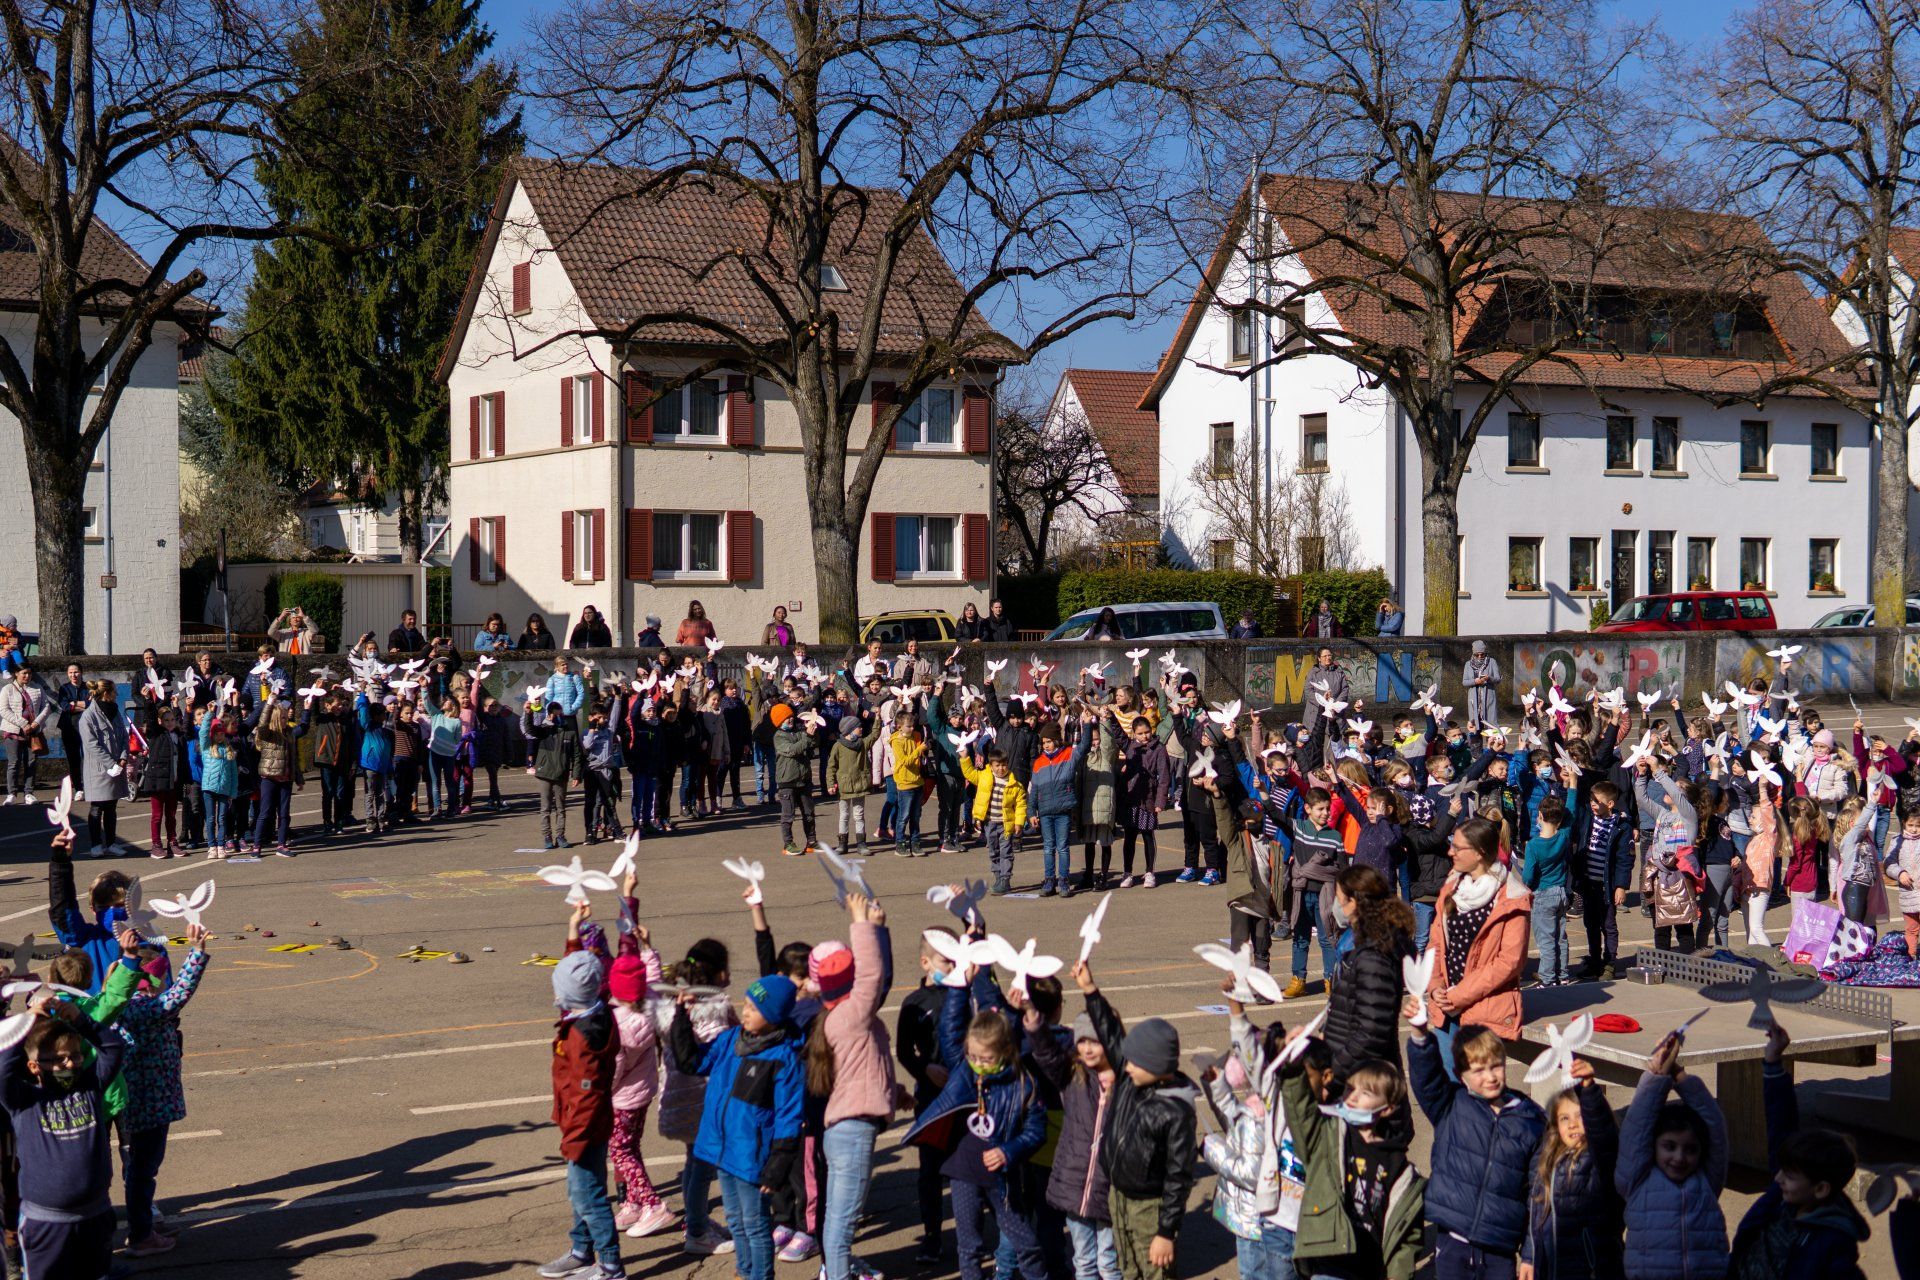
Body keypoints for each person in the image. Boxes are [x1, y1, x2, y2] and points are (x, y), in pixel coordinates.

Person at [667, 973, 805, 1280]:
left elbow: (789, 1116)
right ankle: (744, 1272)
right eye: (747, 1004)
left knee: (756, 1225)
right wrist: (681, 1018)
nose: (745, 1012)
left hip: (751, 1158)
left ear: (773, 1018)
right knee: (736, 1220)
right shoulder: (731, 1040)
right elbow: (693, 1062)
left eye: (754, 1009)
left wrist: (777, 1165)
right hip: (721, 1150)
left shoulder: (783, 1059)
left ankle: (761, 1276)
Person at [1072, 960, 1197, 1280]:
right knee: (1128, 1271)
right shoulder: (1132, 1078)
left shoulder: (1176, 1111)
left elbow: (1178, 1177)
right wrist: (1090, 989)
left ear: (1156, 1064)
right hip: (1119, 1199)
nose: (1124, 1067)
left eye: (1133, 1062)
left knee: (1154, 1273)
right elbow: (1110, 1033)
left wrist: (1165, 1232)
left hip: (1150, 1211)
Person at [0, 992, 127, 1280]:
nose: (70, 1064)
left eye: (75, 1056)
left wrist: (80, 1019)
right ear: (34, 1067)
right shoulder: (24, 1101)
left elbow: (113, 1047)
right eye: (58, 1060)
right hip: (47, 1224)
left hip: (95, 1215)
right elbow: (2, 1072)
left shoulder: (90, 1086)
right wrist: (29, 1019)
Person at [1727, 1025, 1870, 1280]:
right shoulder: (1786, 1195)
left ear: (1821, 1189)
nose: (1778, 1177)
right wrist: (1772, 1062)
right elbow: (1781, 1124)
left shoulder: (1834, 1243)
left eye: (1789, 1175)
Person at [1407, 1017, 1545, 1279]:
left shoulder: (1531, 1122)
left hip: (1500, 1250)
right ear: (1462, 1077)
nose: (1491, 1077)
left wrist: (1531, 1254)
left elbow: (1538, 1195)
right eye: (1478, 1071)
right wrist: (1419, 1035)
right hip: (1452, 1243)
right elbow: (1426, 1079)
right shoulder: (1451, 1105)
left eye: (1496, 1067)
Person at [115, 920, 212, 1258]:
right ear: (151, 980)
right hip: (149, 1102)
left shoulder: (126, 1002)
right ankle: (141, 1234)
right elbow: (180, 992)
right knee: (143, 1169)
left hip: (144, 1099)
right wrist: (196, 952)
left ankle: (143, 1225)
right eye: (159, 978)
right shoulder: (144, 1008)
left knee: (140, 1168)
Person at [810, 893, 895, 1280]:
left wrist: (876, 928)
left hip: (844, 1128)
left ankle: (836, 1271)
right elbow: (874, 977)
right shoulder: (851, 1016)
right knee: (842, 1226)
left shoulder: (841, 1018)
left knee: (837, 1222)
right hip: (853, 1131)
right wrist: (860, 922)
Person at [539, 949, 626, 1280]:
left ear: (569, 994)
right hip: (582, 1122)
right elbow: (580, 974)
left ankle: (610, 1266)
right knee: (582, 1192)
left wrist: (574, 1138)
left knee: (588, 1196)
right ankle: (581, 1250)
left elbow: (586, 1097)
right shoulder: (593, 1013)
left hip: (585, 1127)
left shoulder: (583, 1037)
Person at [1616, 1030, 1730, 1280]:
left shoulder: (1707, 1182)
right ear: (1653, 1145)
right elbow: (1638, 1126)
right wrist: (1658, 1076)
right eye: (1669, 1146)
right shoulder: (1636, 1182)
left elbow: (1715, 1127)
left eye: (1690, 1149)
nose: (1679, 1157)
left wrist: (1680, 1075)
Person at [1418, 816, 1531, 1068]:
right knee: (1449, 1093)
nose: (1450, 851)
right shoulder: (1452, 887)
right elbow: (1435, 944)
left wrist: (1459, 995)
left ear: (1480, 853)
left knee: (1479, 1092)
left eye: (1457, 848)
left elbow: (1509, 962)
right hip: (1446, 1009)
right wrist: (1435, 986)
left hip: (1484, 1012)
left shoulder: (1512, 897)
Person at [1526, 1060, 1623, 1280]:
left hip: (1592, 1270)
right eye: (1564, 1118)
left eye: (1580, 1116)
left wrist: (1588, 1090)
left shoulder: (1600, 1162)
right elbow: (1535, 1218)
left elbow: (1603, 1134)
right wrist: (1531, 1256)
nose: (1573, 1124)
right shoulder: (1548, 1162)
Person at [1322, 864, 1414, 1078]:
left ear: (1354, 903)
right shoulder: (1365, 943)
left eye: (1339, 899)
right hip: (1356, 1070)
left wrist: (1334, 1072)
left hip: (1367, 1082)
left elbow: (1370, 1032)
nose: (1336, 906)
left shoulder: (1374, 956)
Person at [962, 747, 1028, 894]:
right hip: (989, 823)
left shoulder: (1014, 784)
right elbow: (969, 773)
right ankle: (998, 877)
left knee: (1006, 851)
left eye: (1003, 765)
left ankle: (1005, 880)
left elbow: (1021, 805)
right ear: (991, 766)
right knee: (993, 851)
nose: (1001, 768)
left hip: (1006, 825)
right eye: (997, 765)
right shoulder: (984, 777)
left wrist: (1019, 822)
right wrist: (964, 758)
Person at [1523, 796, 1573, 987]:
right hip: (1560, 892)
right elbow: (1571, 812)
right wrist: (1572, 785)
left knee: (1546, 940)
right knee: (1560, 938)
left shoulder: (1534, 845)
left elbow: (1528, 876)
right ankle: (1563, 975)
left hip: (1542, 893)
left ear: (1540, 816)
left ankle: (1547, 978)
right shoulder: (1563, 836)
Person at [78, 680, 130, 857]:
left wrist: (123, 758)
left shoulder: (115, 712)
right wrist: (111, 764)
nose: (116, 694)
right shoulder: (88, 716)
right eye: (113, 691)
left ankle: (111, 842)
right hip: (98, 770)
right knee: (97, 807)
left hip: (116, 766)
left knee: (111, 807)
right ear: (105, 693)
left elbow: (124, 736)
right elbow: (92, 745)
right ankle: (96, 844)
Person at [0, 664, 52, 804]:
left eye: (29, 673)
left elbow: (46, 707)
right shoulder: (7, 689)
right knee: (14, 762)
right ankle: (12, 793)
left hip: (34, 732)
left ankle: (29, 793)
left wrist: (36, 723)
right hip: (13, 731)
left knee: (31, 762)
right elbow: (4, 710)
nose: (27, 676)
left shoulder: (37, 688)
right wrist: (24, 724)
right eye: (24, 673)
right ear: (16, 673)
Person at [1302, 648, 1349, 738]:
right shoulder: (1313, 673)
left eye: (1329, 655)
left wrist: (1336, 704)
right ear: (1319, 658)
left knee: (1335, 745)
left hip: (1335, 713)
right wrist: (1322, 701)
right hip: (1316, 714)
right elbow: (1308, 691)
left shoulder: (1339, 672)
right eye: (1324, 656)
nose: (1328, 658)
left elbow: (1345, 689)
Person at [1464, 640, 1500, 731]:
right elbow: (1464, 682)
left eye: (1482, 654)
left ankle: (1492, 744)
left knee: (1491, 727)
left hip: (1488, 699)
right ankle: (1476, 745)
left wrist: (1489, 678)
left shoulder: (1492, 662)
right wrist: (1475, 681)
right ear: (1473, 654)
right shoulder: (1468, 664)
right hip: (1474, 700)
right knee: (1475, 727)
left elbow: (1498, 679)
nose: (1480, 656)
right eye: (1477, 654)